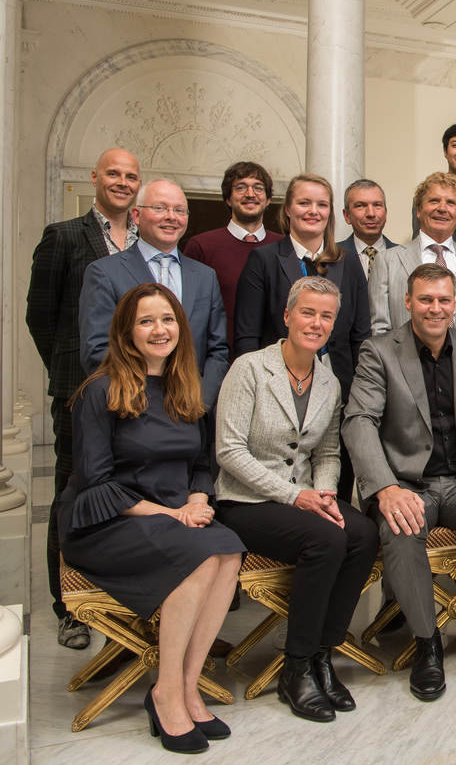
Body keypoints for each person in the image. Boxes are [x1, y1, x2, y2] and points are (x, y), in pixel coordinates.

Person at [59, 283, 243, 753]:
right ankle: (165, 692)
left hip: (173, 515)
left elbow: (201, 463)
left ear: (180, 328)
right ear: (126, 331)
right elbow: (98, 483)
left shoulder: (186, 386)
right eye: (146, 321)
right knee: (202, 556)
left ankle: (186, 685)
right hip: (107, 521)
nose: (159, 330)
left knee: (229, 550)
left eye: (166, 320)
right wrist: (171, 513)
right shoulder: (100, 391)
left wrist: (199, 500)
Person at [343, 263, 456, 701]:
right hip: (407, 485)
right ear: (408, 302)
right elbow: (359, 421)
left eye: (444, 299)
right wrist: (384, 487)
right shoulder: (379, 351)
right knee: (400, 524)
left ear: (455, 302)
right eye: (425, 299)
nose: (435, 308)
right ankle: (426, 645)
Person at [215, 276, 380, 722]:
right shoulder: (249, 369)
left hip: (306, 495)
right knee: (325, 541)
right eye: (308, 312)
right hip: (245, 502)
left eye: (326, 316)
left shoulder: (329, 382)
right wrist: (297, 496)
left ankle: (323, 656)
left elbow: (327, 452)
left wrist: (325, 495)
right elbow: (229, 452)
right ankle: (295, 666)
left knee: (364, 532)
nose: (317, 323)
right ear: (287, 316)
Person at [27, 146, 140, 648]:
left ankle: (120, 596)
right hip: (81, 390)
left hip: (139, 394)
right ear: (95, 178)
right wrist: (69, 374)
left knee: (126, 489)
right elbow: (40, 316)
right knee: (74, 491)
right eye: (113, 173)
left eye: (130, 176)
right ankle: (69, 606)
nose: (121, 182)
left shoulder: (144, 244)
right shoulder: (65, 236)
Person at [234, 173, 371, 500]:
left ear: (331, 212)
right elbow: (246, 335)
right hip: (276, 393)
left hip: (338, 389)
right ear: (288, 210)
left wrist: (356, 393)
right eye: (304, 203)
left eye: (322, 204)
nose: (313, 211)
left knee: (333, 482)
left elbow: (360, 336)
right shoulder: (264, 260)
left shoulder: (348, 263)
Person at [79, 178, 230, 408]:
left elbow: (217, 350)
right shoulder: (104, 273)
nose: (171, 216)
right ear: (136, 216)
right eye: (160, 208)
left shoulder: (205, 276)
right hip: (132, 409)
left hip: (193, 410)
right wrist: (145, 400)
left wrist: (200, 400)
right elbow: (98, 349)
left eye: (180, 210)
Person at [369, 172, 456, 336]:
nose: (442, 208)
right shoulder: (387, 261)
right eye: (434, 201)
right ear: (419, 211)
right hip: (403, 359)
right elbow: (379, 330)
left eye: (450, 203)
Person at [184, 161, 279, 352]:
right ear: (228, 198)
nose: (250, 194)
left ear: (268, 199)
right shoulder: (201, 246)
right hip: (217, 358)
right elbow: (189, 310)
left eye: (258, 188)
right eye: (241, 187)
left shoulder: (284, 247)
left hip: (275, 361)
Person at [339, 178, 396, 280]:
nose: (371, 213)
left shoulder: (403, 256)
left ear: (385, 213)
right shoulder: (332, 256)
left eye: (377, 205)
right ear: (347, 215)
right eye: (360, 206)